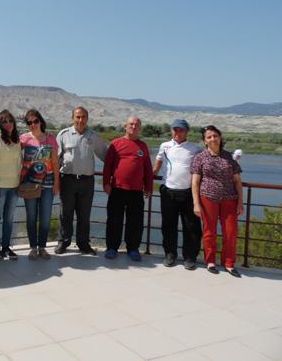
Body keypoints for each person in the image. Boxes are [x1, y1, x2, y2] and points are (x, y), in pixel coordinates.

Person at [191, 125, 243, 277]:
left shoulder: (229, 158)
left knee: (231, 232)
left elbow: (238, 182)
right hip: (208, 198)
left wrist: (240, 202)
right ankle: (210, 261)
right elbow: (195, 182)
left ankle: (229, 263)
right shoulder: (200, 158)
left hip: (229, 199)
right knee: (209, 231)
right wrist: (196, 203)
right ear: (205, 141)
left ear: (220, 138)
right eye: (209, 137)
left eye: (215, 136)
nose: (213, 139)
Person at [55, 106, 107, 256]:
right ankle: (63, 242)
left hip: (87, 181)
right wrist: (55, 181)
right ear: (72, 118)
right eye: (77, 117)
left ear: (87, 119)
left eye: (83, 117)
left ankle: (83, 244)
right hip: (68, 180)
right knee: (65, 213)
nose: (80, 120)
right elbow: (56, 159)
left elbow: (106, 156)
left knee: (84, 215)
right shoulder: (63, 135)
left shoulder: (94, 137)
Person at [153, 119, 202, 270]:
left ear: (187, 131)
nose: (177, 132)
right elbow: (158, 162)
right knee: (168, 226)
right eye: (175, 129)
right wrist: (151, 175)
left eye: (180, 129)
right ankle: (170, 254)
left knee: (191, 227)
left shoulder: (195, 149)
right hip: (169, 192)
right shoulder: (165, 146)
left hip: (188, 193)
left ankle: (189, 257)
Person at [102, 116, 153, 262]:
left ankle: (133, 249)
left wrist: (149, 187)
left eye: (137, 124)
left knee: (135, 222)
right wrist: (106, 183)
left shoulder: (143, 146)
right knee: (114, 220)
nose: (133, 126)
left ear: (140, 128)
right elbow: (107, 166)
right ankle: (112, 247)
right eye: (131, 124)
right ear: (125, 126)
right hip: (117, 189)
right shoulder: (116, 143)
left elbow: (148, 169)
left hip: (136, 191)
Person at [20, 109, 60, 260]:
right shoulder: (23, 139)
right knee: (31, 216)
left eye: (35, 121)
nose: (33, 125)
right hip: (29, 184)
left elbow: (56, 163)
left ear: (41, 121)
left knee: (45, 217)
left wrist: (57, 183)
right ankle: (33, 248)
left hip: (48, 184)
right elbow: (12, 154)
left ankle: (42, 247)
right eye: (29, 122)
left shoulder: (51, 139)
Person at [0, 110, 22, 260]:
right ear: (0, 125)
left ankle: (6, 247)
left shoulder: (17, 141)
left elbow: (19, 164)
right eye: (4, 122)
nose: (8, 124)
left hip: (14, 186)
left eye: (10, 120)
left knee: (9, 219)